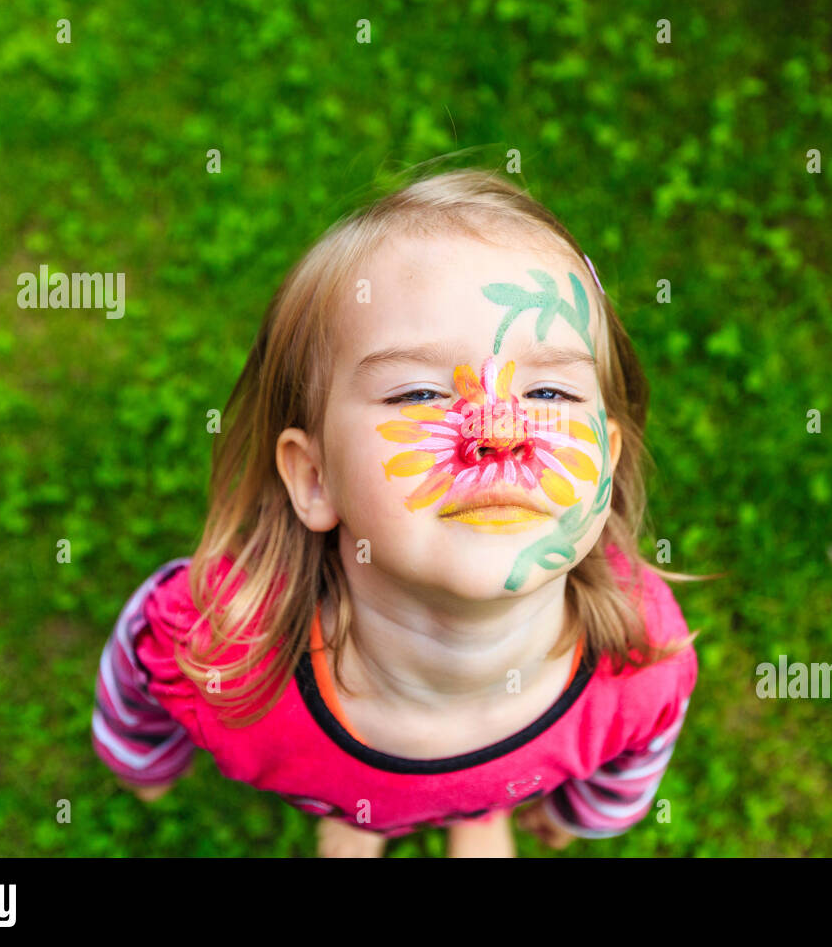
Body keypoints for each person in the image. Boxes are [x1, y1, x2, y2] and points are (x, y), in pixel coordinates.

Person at [91, 167, 702, 857]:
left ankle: (477, 806)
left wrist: (579, 816)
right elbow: (137, 679)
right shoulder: (220, 648)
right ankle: (359, 812)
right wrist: (142, 761)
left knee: (480, 790)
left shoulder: (642, 661)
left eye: (551, 394)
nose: (499, 433)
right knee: (363, 802)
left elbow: (632, 760)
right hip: (324, 758)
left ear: (610, 458)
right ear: (315, 477)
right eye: (418, 395)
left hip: (514, 775)